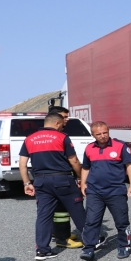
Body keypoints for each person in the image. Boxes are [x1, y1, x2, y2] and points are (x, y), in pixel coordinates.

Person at [19, 113, 86, 261]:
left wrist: (27, 183)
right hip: (62, 179)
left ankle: (42, 250)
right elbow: (74, 160)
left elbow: (22, 164)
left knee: (43, 215)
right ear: (56, 123)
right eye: (62, 123)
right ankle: (92, 240)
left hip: (41, 181)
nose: (63, 126)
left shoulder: (29, 139)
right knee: (77, 209)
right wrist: (81, 177)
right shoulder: (62, 137)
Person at [79, 121, 131, 261]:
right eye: (98, 134)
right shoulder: (89, 148)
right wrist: (83, 184)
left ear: (108, 131)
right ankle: (89, 248)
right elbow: (86, 167)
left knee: (121, 221)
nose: (103, 136)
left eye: (105, 132)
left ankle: (124, 246)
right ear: (93, 135)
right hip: (94, 191)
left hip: (115, 191)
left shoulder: (120, 146)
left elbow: (129, 165)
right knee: (91, 221)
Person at [47, 106, 83, 248]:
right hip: (60, 178)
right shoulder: (58, 136)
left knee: (59, 210)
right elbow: (71, 159)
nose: (66, 119)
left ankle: (61, 233)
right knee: (62, 209)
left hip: (50, 178)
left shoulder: (46, 135)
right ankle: (62, 237)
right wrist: (81, 176)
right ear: (56, 119)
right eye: (64, 117)